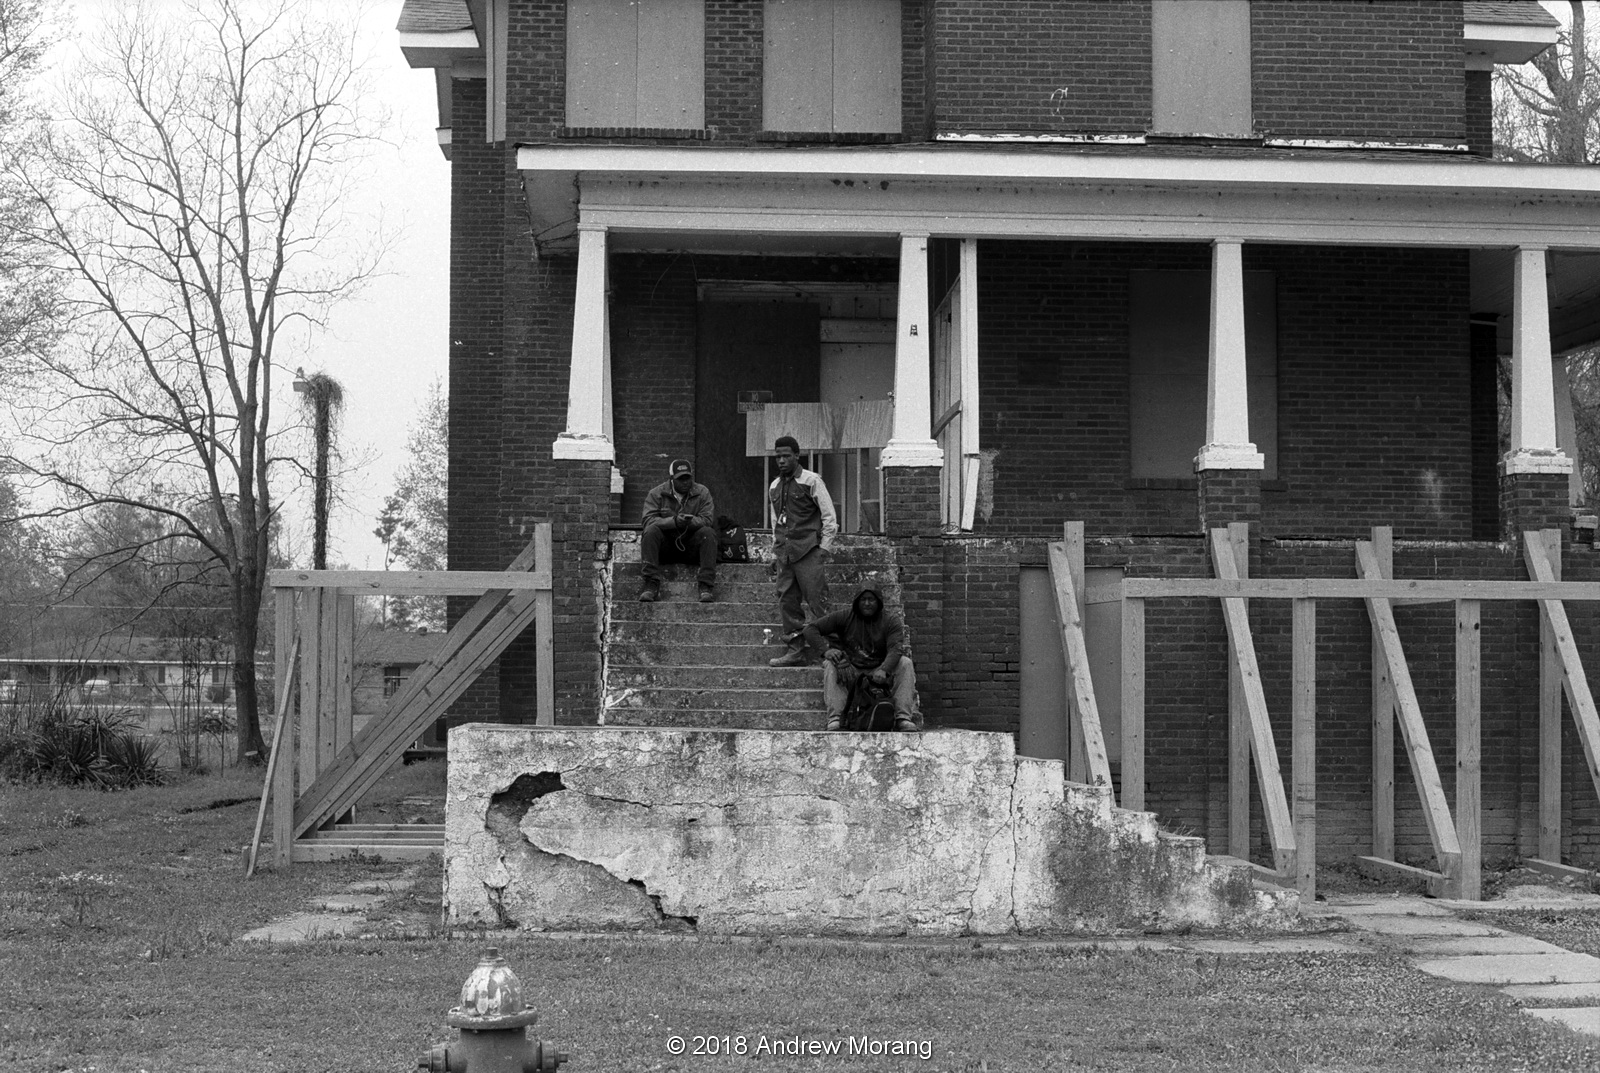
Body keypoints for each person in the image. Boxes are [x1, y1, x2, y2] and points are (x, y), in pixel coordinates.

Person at [803, 589, 920, 732]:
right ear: (857, 602)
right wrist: (825, 650)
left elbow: (895, 649)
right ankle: (836, 718)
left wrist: (885, 668)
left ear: (879, 602)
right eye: (863, 600)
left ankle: (903, 717)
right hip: (850, 669)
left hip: (880, 669)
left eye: (871, 600)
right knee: (829, 664)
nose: (867, 603)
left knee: (905, 663)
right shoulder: (844, 616)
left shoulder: (890, 620)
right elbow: (810, 629)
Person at [767, 435, 836, 666]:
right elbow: (776, 520)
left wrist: (824, 548)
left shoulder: (811, 480)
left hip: (808, 550)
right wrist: (775, 550)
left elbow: (829, 516)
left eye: (787, 456)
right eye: (778, 457)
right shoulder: (774, 486)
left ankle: (830, 650)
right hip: (785, 554)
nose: (782, 461)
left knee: (817, 601)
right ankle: (795, 650)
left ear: (797, 455)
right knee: (787, 601)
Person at [639, 458, 717, 603]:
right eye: (680, 479)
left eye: (687, 478)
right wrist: (674, 522)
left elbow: (707, 519)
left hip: (691, 545)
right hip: (666, 546)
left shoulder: (702, 492)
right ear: (671, 479)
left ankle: (706, 585)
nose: (685, 482)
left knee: (708, 533)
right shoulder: (657, 494)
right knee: (650, 532)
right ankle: (651, 584)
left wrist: (688, 521)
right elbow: (648, 520)